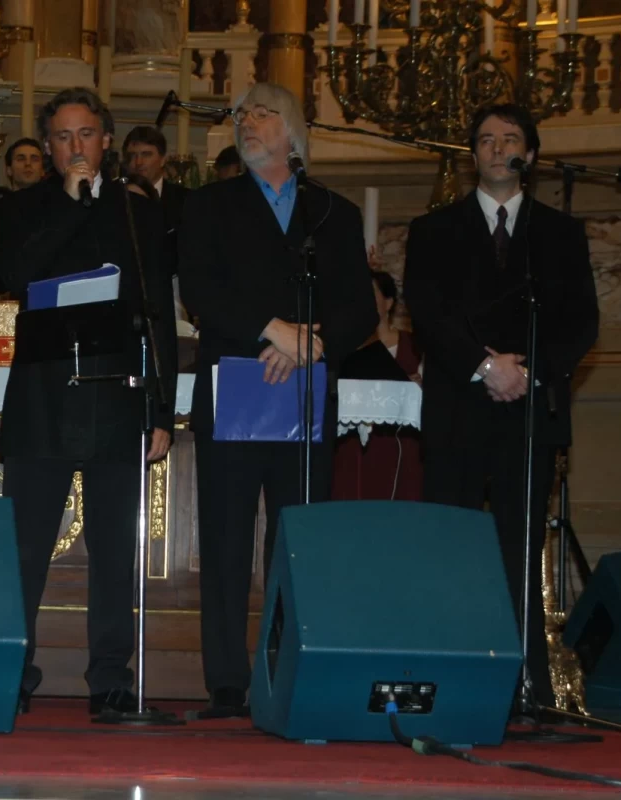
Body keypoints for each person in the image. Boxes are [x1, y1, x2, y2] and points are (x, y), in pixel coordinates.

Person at [177, 82, 376, 718]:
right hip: (235, 383)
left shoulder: (333, 212)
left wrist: (310, 343)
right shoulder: (209, 205)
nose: (248, 122)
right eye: (242, 115)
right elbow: (200, 290)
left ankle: (288, 670)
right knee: (226, 538)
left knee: (297, 538)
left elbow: (361, 308)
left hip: (305, 389)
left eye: (263, 113)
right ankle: (226, 681)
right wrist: (273, 331)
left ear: (293, 132)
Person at [404, 103, 599, 709]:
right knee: (451, 548)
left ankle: (526, 685)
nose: (496, 149)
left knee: (520, 549)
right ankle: (446, 678)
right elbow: (429, 314)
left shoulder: (560, 233)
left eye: (509, 139)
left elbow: (582, 322)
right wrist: (486, 366)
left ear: (530, 155)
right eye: (485, 140)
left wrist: (526, 373)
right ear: (473, 155)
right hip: (458, 409)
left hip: (528, 413)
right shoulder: (433, 230)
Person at [0, 87, 177, 715]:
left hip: (117, 397)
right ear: (48, 147)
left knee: (114, 550)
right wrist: (73, 206)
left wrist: (161, 408)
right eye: (63, 136)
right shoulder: (20, 208)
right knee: (26, 548)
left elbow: (158, 313)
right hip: (43, 397)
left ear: (107, 140)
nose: (76, 146)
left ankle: (110, 678)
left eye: (87, 134)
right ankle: (13, 669)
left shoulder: (138, 212)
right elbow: (18, 276)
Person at [330, 269, 423, 502]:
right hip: (353, 451)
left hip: (400, 448)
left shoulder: (414, 345)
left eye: (370, 294)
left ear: (389, 302)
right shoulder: (345, 347)